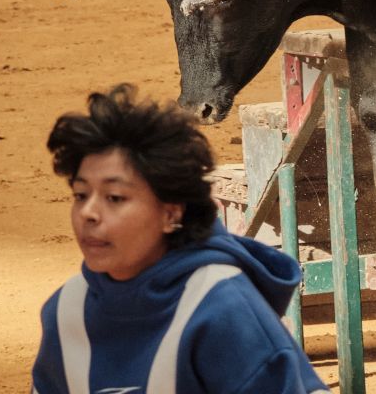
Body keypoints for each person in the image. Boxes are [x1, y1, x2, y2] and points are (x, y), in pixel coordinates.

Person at [30, 86, 325, 394]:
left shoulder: (220, 307)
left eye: (114, 197)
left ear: (170, 213)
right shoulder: (65, 310)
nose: (88, 213)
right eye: (81, 195)